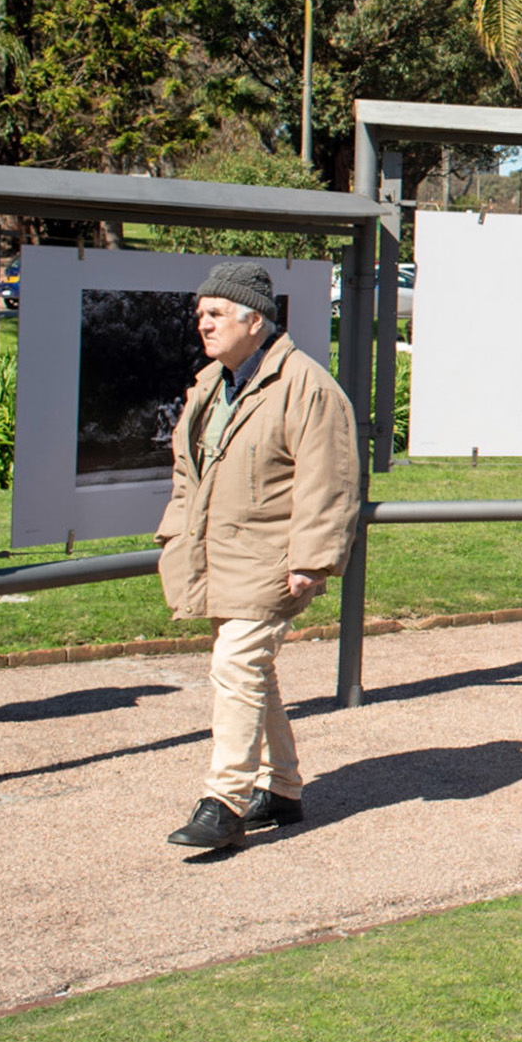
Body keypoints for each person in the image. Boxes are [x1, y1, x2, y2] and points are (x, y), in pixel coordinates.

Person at [156, 263, 362, 852]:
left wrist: (312, 560)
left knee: (236, 664)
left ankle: (224, 802)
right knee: (252, 669)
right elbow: (186, 471)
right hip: (218, 554)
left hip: (271, 558)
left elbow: (330, 480)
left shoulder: (307, 385)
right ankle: (284, 788)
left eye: (215, 314)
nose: (204, 324)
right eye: (200, 315)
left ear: (255, 319)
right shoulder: (210, 384)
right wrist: (176, 530)